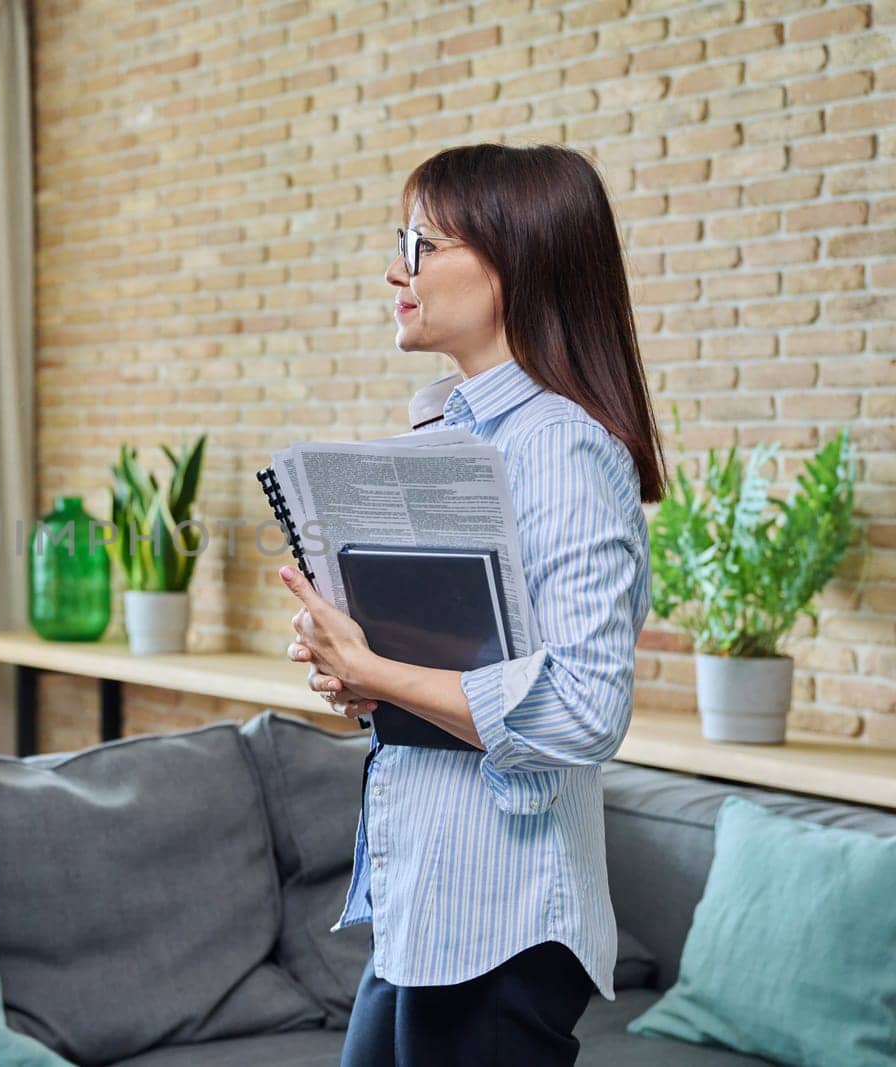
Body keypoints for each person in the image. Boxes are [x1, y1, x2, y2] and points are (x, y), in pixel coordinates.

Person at [280, 143, 665, 1066]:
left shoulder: (562, 449)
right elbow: (472, 661)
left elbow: (582, 708)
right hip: (430, 900)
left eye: (422, 245)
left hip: (505, 918)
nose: (394, 270)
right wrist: (371, 683)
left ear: (513, 264)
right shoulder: (458, 432)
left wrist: (377, 668)